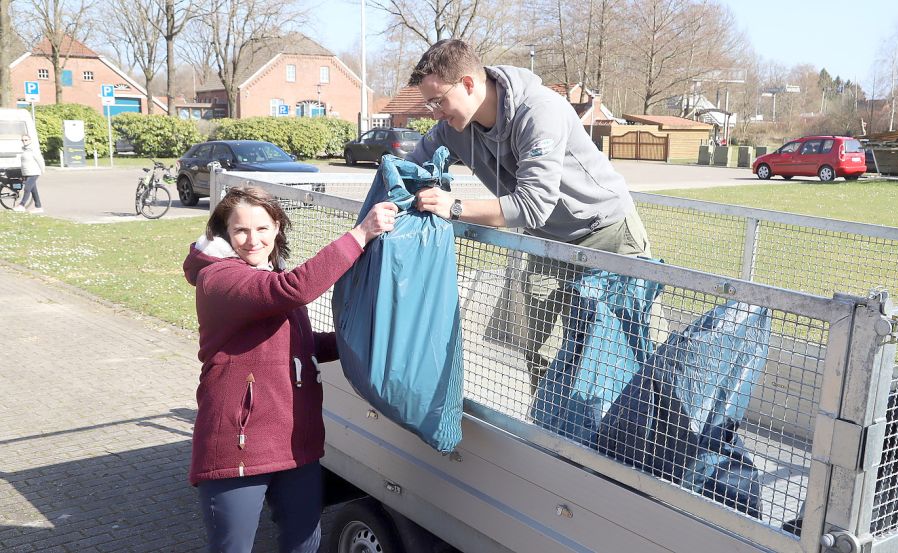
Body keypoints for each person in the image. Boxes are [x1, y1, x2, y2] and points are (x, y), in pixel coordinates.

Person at [407, 39, 651, 393]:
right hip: (548, 241)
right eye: (429, 104)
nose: (434, 112)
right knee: (539, 350)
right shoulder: (452, 129)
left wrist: (454, 207)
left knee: (629, 351)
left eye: (438, 101)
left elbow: (535, 205)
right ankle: (552, 433)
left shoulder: (539, 112)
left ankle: (628, 441)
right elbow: (408, 166)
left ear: (469, 84)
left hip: (607, 231)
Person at [182, 186, 397, 553]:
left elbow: (304, 345)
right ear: (224, 234)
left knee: (304, 545)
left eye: (262, 228)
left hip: (296, 443)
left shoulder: (268, 271)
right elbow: (294, 290)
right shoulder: (219, 279)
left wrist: (367, 342)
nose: (253, 240)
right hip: (239, 446)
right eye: (241, 231)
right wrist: (361, 234)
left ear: (277, 226)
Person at [13, 134, 44, 213]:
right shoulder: (25, 150)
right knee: (34, 191)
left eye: (26, 140)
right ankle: (38, 207)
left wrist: (42, 170)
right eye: (22, 140)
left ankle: (22, 205)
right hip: (27, 172)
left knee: (27, 188)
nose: (24, 141)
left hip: (34, 172)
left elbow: (40, 160)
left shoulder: (33, 149)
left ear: (30, 140)